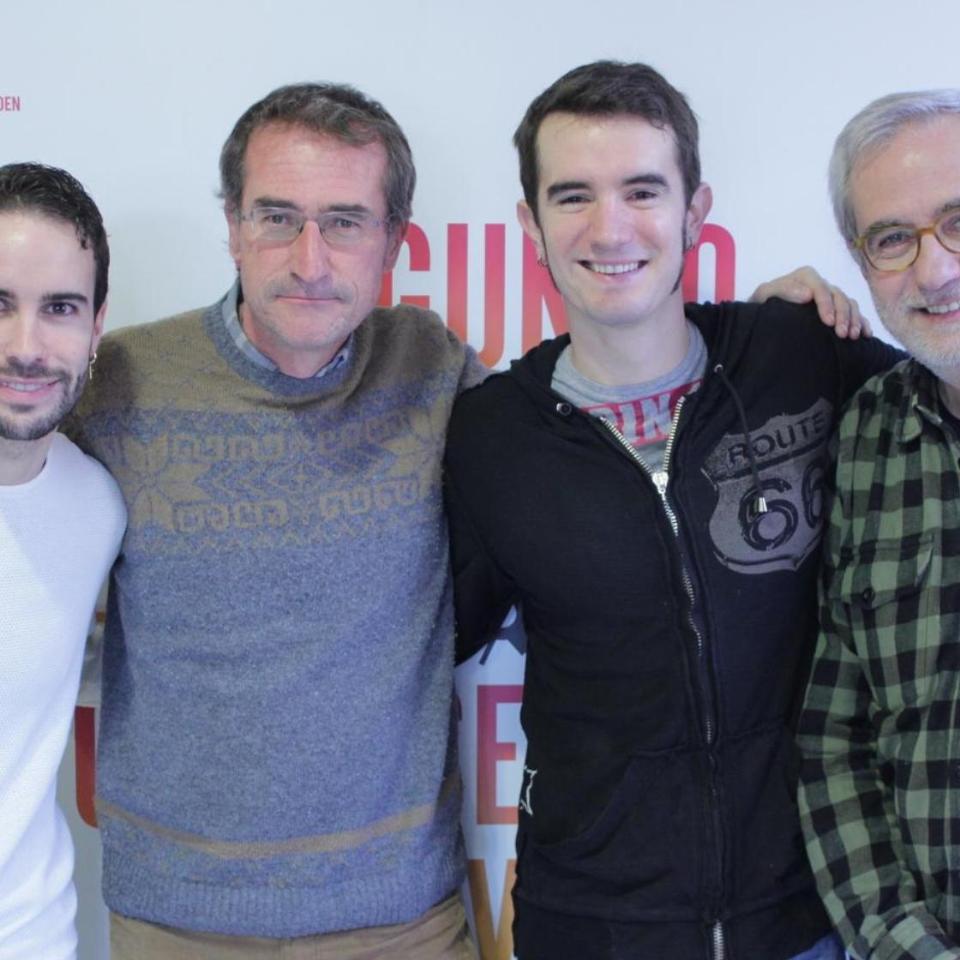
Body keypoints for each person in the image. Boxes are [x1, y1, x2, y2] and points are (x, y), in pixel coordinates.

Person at [443, 60, 901, 960]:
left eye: (642, 190)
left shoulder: (803, 358)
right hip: (594, 930)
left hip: (809, 921)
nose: (610, 228)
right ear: (531, 225)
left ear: (696, 211)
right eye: (572, 196)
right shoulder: (490, 434)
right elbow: (418, 643)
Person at [68, 83, 484, 959]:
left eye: (344, 221)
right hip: (175, 922)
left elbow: (595, 411)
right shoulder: (117, 382)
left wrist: (754, 327)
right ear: (231, 224)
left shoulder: (434, 369)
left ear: (393, 241)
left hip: (400, 922)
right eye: (276, 217)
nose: (308, 259)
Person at [797, 90, 960, 960]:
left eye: (957, 220)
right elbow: (835, 737)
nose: (933, 271)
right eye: (893, 239)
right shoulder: (868, 433)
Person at [0, 163, 125, 960]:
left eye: (59, 309)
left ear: (97, 327)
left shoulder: (98, 509)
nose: (26, 347)